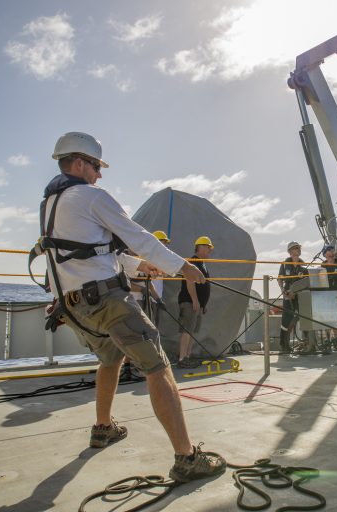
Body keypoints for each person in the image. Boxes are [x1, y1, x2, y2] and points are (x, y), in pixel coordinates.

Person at [41, 131, 225, 483]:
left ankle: (103, 427)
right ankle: (187, 458)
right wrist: (185, 268)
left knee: (110, 359)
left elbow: (85, 252)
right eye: (96, 166)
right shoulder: (91, 196)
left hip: (75, 305)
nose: (99, 174)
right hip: (107, 299)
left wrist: (140, 266)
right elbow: (139, 235)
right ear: (79, 163)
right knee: (157, 365)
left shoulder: (51, 203)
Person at [177, 236, 213, 368]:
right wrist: (195, 300)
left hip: (197, 304)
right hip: (189, 302)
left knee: (191, 331)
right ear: (201, 247)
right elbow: (189, 281)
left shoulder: (202, 263)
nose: (210, 250)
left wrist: (203, 304)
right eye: (208, 248)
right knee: (187, 330)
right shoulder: (193, 262)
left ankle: (187, 356)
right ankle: (182, 359)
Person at [278, 241, 308, 353]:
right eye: (295, 248)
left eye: (299, 248)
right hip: (287, 295)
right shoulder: (285, 263)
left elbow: (305, 282)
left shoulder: (303, 265)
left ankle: (307, 342)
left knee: (304, 317)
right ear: (290, 251)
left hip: (300, 295)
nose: (298, 250)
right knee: (286, 320)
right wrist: (283, 291)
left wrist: (296, 292)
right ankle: (283, 345)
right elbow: (280, 278)